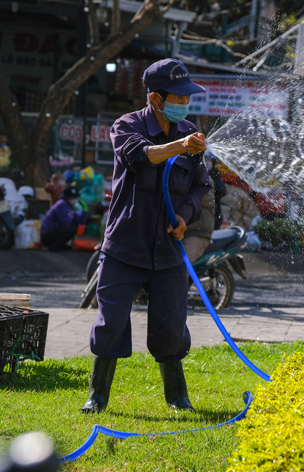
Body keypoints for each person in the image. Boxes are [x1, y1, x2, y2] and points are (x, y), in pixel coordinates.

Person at [81, 59, 210, 414]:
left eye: (187, 98)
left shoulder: (190, 132)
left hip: (168, 250)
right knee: (111, 322)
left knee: (171, 327)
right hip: (125, 246)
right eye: (178, 97)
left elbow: (201, 185)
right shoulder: (127, 126)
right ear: (155, 98)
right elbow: (142, 155)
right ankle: (98, 395)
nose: (184, 104)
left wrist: (184, 216)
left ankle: (177, 397)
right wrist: (180, 146)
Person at [40, 186, 88, 251]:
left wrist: (84, 211)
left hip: (55, 232)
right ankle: (54, 245)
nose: (76, 200)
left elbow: (80, 221)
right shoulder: (62, 204)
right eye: (73, 198)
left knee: (74, 227)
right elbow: (64, 222)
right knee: (71, 228)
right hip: (48, 234)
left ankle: (60, 244)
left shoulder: (71, 206)